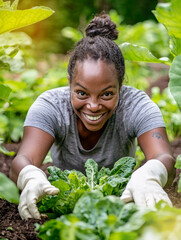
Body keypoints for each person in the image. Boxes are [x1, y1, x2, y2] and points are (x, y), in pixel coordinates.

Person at [9, 13, 175, 220]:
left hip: (120, 202)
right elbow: (23, 160)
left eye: (107, 94)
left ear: (120, 86)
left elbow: (165, 158)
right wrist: (30, 176)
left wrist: (150, 175)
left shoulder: (137, 105)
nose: (94, 106)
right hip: (64, 201)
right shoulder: (50, 106)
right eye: (81, 93)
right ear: (69, 83)